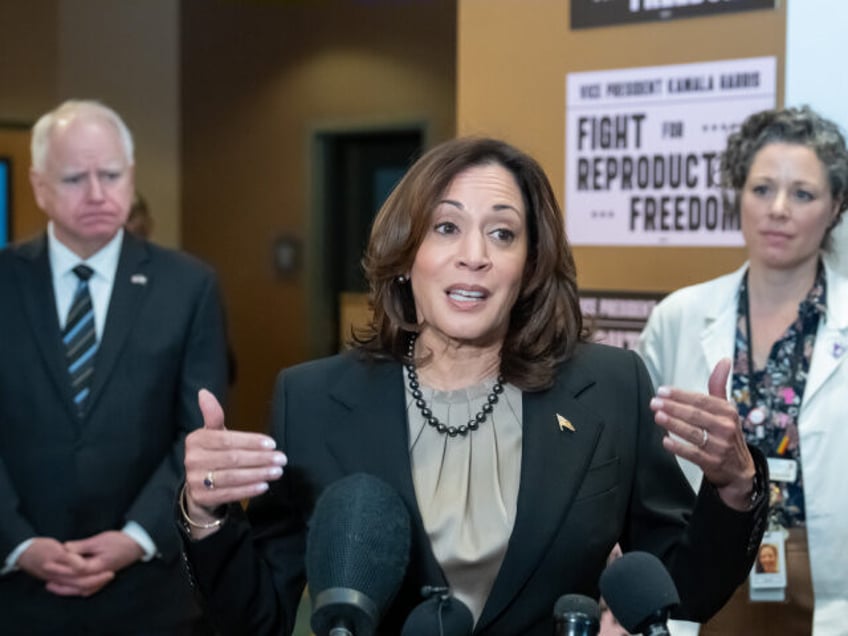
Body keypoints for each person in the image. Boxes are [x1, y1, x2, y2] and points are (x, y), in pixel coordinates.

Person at [179, 137, 767, 635]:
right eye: (446, 227)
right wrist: (205, 514)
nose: (474, 256)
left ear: (530, 266)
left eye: (503, 234)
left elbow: (680, 590)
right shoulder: (310, 401)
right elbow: (257, 618)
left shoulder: (609, 388)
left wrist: (735, 486)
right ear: (407, 253)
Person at [0, 100, 229, 635]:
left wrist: (137, 537)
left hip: (150, 593)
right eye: (76, 178)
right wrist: (17, 542)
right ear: (39, 186)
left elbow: (198, 432)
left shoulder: (189, 287)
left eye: (111, 174)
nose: (98, 194)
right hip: (15, 592)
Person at [638, 106, 848, 635]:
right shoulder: (679, 315)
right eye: (760, 189)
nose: (777, 209)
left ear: (837, 206)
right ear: (737, 194)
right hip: (705, 562)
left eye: (802, 193)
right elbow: (637, 455)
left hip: (826, 576)